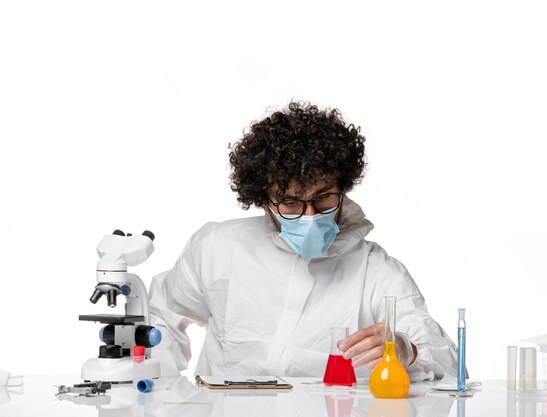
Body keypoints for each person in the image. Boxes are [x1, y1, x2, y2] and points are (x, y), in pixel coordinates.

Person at [149, 102, 457, 381]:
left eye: (323, 198)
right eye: (291, 202)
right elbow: (161, 319)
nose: (310, 215)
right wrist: (162, 393)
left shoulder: (375, 272)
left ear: (344, 187)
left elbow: (451, 363)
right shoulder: (217, 247)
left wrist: (407, 349)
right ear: (263, 201)